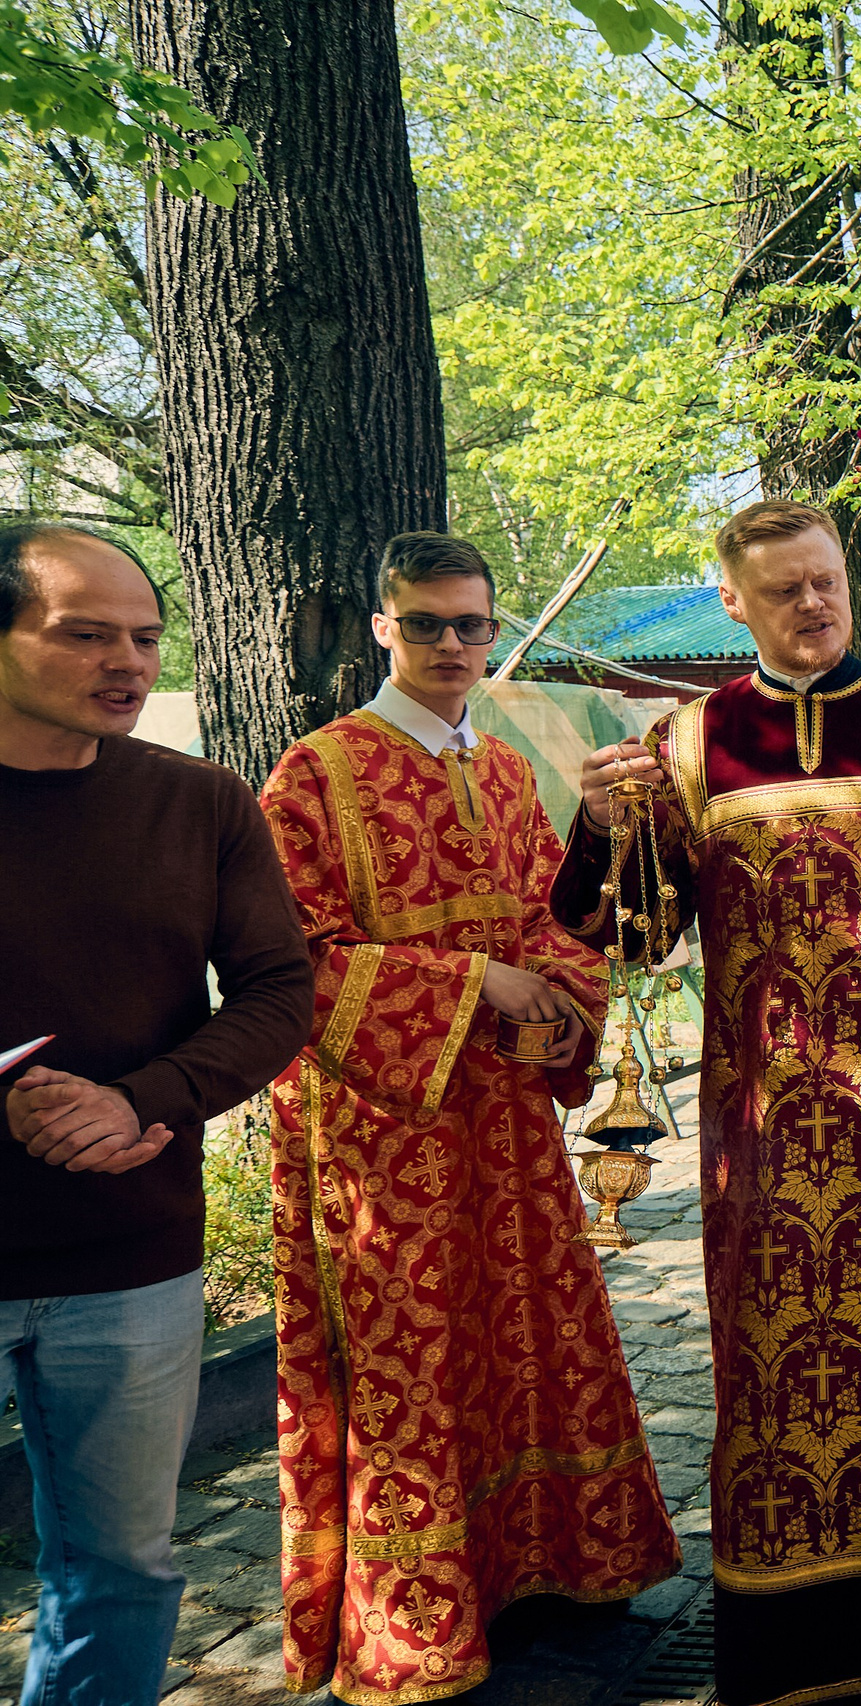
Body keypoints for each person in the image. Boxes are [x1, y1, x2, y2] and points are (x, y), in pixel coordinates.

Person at [555, 499, 861, 1705]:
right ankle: (798, 1629)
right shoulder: (693, 739)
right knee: (784, 1380)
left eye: (826, 581)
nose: (813, 606)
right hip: (768, 1132)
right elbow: (630, 928)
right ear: (733, 600)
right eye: (783, 590)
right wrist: (600, 824)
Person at [260, 532, 681, 1701]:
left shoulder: (499, 769)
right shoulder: (317, 771)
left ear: (493, 630)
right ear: (382, 627)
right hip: (380, 1143)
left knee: (530, 1337)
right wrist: (471, 987)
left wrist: (561, 993)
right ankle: (414, 1617)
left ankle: (540, 1566)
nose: (453, 645)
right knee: (418, 1361)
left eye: (472, 625)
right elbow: (289, 957)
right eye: (428, 623)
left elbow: (551, 913)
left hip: (504, 1117)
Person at [0, 522, 315, 1705]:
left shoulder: (202, 801)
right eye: (85, 634)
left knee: (122, 1567)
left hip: (133, 1257)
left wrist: (145, 1098)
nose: (127, 661)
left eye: (143, 635)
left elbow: (283, 988)